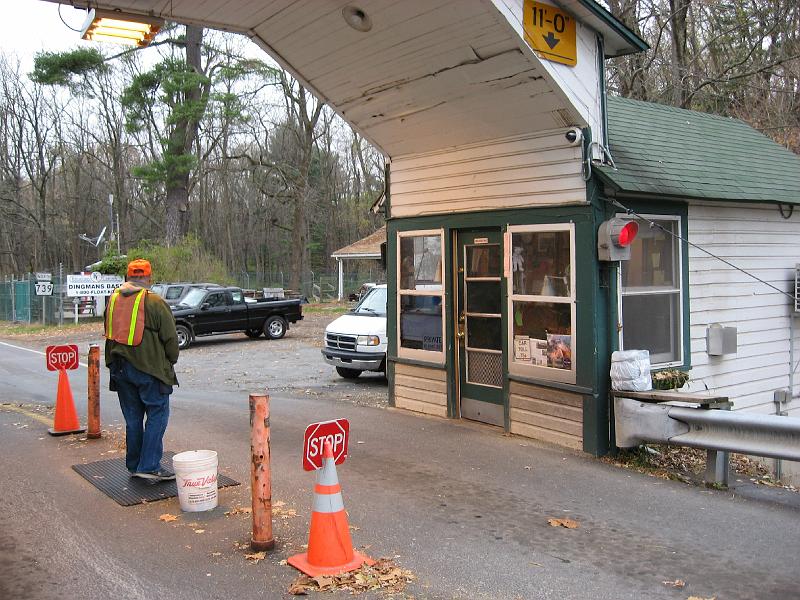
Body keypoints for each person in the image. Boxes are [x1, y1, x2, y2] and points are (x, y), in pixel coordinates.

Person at [105, 259, 179, 481]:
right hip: (149, 369)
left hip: (119, 368)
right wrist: (170, 361)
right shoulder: (155, 302)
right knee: (158, 414)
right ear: (149, 278)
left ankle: (135, 464)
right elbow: (170, 339)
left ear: (127, 277)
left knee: (133, 418)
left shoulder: (113, 299)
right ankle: (149, 466)